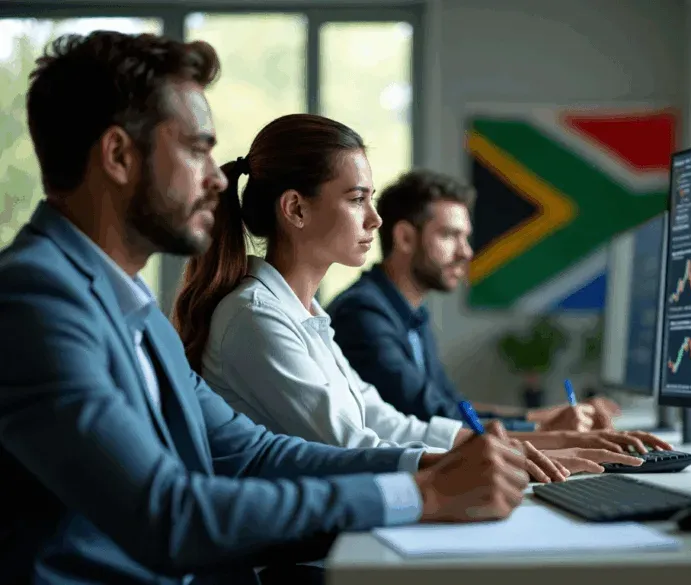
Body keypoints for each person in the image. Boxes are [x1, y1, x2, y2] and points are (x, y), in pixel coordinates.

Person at [0, 31, 530, 585]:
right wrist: (422, 493)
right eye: (197, 149)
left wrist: (427, 465)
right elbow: (168, 514)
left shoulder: (135, 309)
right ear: (117, 155)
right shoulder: (34, 302)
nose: (217, 178)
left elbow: (253, 454)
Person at [170, 113, 657, 481]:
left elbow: (392, 422)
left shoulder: (306, 314)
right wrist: (512, 451)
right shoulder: (256, 318)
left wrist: (545, 443)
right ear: (295, 208)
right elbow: (348, 448)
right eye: (357, 199)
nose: (374, 220)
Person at [326, 169, 624, 432]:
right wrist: (538, 424)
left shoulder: (411, 314)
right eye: (449, 236)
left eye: (465, 238)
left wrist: (544, 416)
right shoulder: (362, 313)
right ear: (404, 238)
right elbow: (429, 414)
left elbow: (452, 405)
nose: (466, 252)